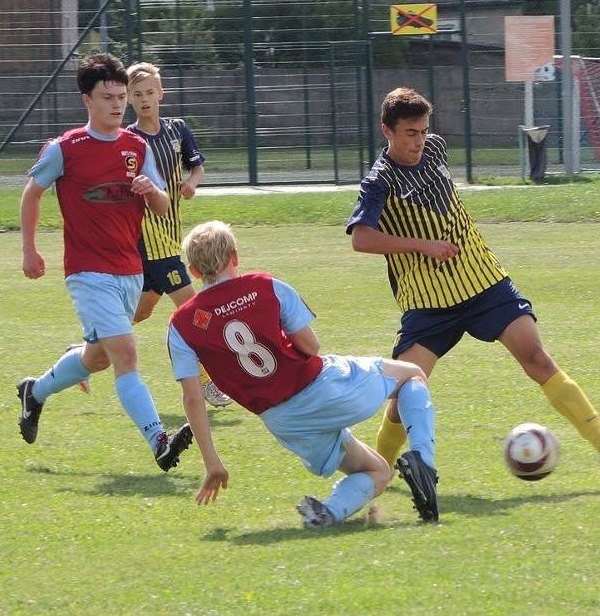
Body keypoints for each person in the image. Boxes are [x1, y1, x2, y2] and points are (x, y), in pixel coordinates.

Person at [346, 87, 600, 476]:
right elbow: (360, 238)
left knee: (538, 359)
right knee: (405, 394)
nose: (419, 141)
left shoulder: (435, 149)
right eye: (409, 133)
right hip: (429, 301)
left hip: (484, 281)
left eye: (422, 130)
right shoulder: (379, 181)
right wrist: (423, 245)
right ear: (387, 131)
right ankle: (378, 472)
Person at [167, 220, 440, 527]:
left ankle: (325, 513)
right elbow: (310, 346)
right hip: (319, 386)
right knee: (413, 374)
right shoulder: (264, 285)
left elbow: (193, 399)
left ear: (193, 271)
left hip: (284, 421)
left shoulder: (180, 325)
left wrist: (213, 463)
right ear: (235, 256)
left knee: (378, 472)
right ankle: (424, 464)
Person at [16, 52, 194, 472]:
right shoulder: (66, 148)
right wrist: (29, 249)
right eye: (108, 97)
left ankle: (35, 392)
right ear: (87, 101)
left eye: (120, 96)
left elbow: (162, 206)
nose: (118, 104)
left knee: (97, 358)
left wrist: (151, 189)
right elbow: (31, 193)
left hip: (130, 270)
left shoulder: (136, 146)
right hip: (87, 273)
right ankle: (160, 441)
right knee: (127, 354)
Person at [124, 61, 232, 408]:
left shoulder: (177, 129)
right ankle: (205, 380)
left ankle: (87, 350)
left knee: (139, 314)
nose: (144, 99)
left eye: (150, 92)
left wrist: (191, 183)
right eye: (137, 94)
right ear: (128, 99)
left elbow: (197, 165)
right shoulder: (129, 140)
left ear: (161, 94)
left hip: (170, 234)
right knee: (193, 310)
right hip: (151, 241)